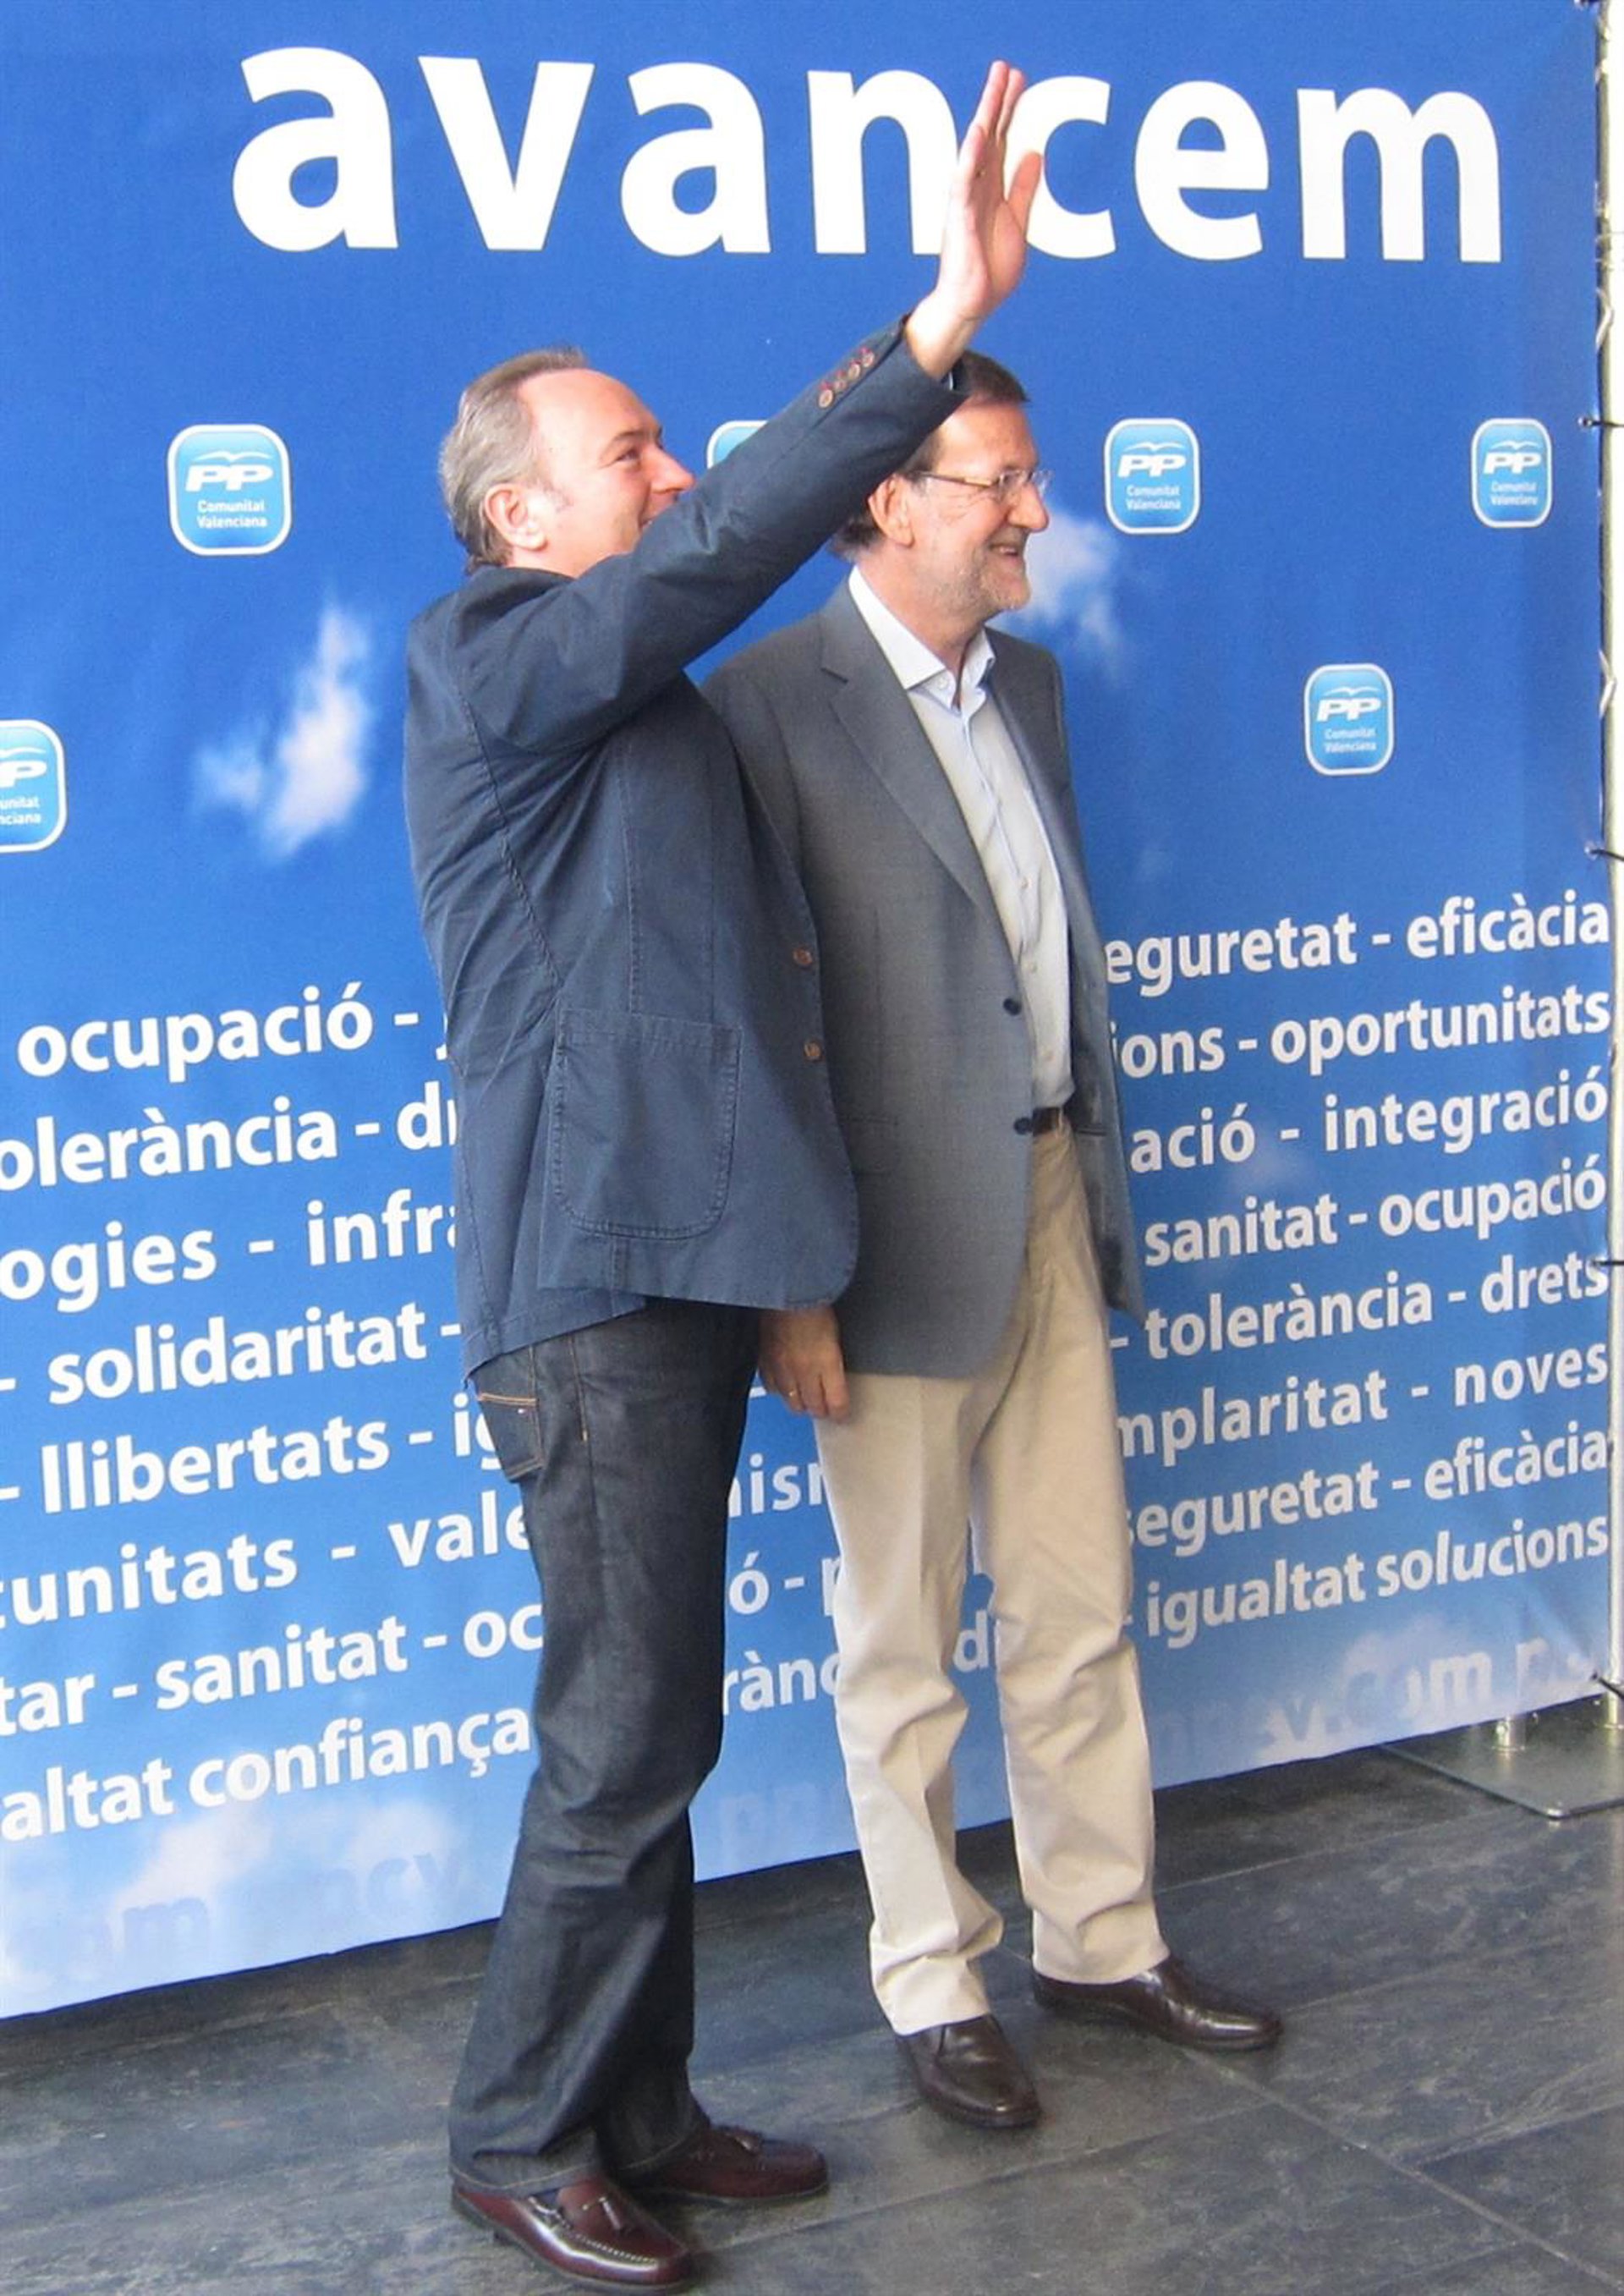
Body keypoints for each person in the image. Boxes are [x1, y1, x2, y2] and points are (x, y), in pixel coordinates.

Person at [403, 61, 1043, 2293]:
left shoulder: (631, 690)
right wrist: (933, 332)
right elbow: (724, 546)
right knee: (620, 1731)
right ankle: (519, 2135)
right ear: (520, 518)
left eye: (674, 446)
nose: (672, 475)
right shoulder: (495, 658)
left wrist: (785, 1268)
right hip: (586, 1286)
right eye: (631, 454)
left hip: (678, 1262)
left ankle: (641, 2109)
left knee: (657, 1721)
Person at [705, 354, 1281, 2136]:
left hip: (1044, 1200)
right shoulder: (765, 703)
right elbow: (755, 1019)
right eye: (1000, 482)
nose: (1034, 510)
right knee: (900, 1643)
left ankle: (1102, 1939)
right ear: (889, 500)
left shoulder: (1024, 679)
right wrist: (791, 1283)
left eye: (1029, 477)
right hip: (875, 1250)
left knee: (1078, 1604)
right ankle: (933, 1977)